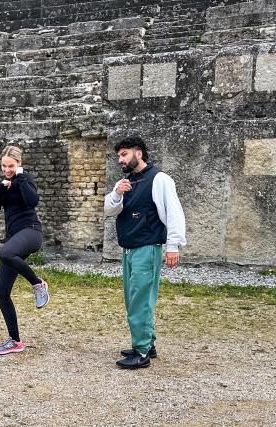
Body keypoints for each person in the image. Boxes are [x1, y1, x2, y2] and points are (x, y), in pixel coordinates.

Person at [104, 135, 186, 369]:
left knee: (141, 300)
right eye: (118, 155)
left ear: (138, 153)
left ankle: (141, 353)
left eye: (124, 154)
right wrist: (117, 193)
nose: (120, 159)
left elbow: (174, 212)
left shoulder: (159, 179)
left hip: (147, 247)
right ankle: (148, 344)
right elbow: (109, 209)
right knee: (133, 300)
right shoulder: (125, 182)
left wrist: (173, 246)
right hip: (129, 250)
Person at [0, 145, 49, 355]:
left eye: (11, 166)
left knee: (5, 253)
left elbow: (32, 201)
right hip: (14, 239)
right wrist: (0, 189)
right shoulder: (2, 184)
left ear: (19, 164)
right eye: (4, 166)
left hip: (31, 232)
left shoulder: (25, 178)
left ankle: (38, 284)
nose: (7, 170)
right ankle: (15, 341)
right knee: (1, 292)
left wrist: (20, 177)